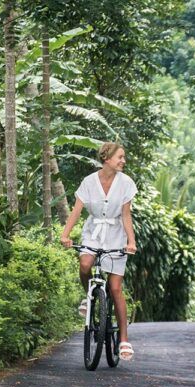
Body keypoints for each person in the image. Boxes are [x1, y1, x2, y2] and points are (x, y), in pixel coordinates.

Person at [60, 142, 138, 361]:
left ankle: (123, 339)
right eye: (120, 157)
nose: (123, 160)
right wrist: (65, 234)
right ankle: (88, 296)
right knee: (85, 264)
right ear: (107, 158)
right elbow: (77, 211)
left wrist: (131, 241)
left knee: (115, 287)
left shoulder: (126, 183)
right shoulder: (89, 182)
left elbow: (126, 215)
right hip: (93, 232)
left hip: (116, 235)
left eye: (123, 157)